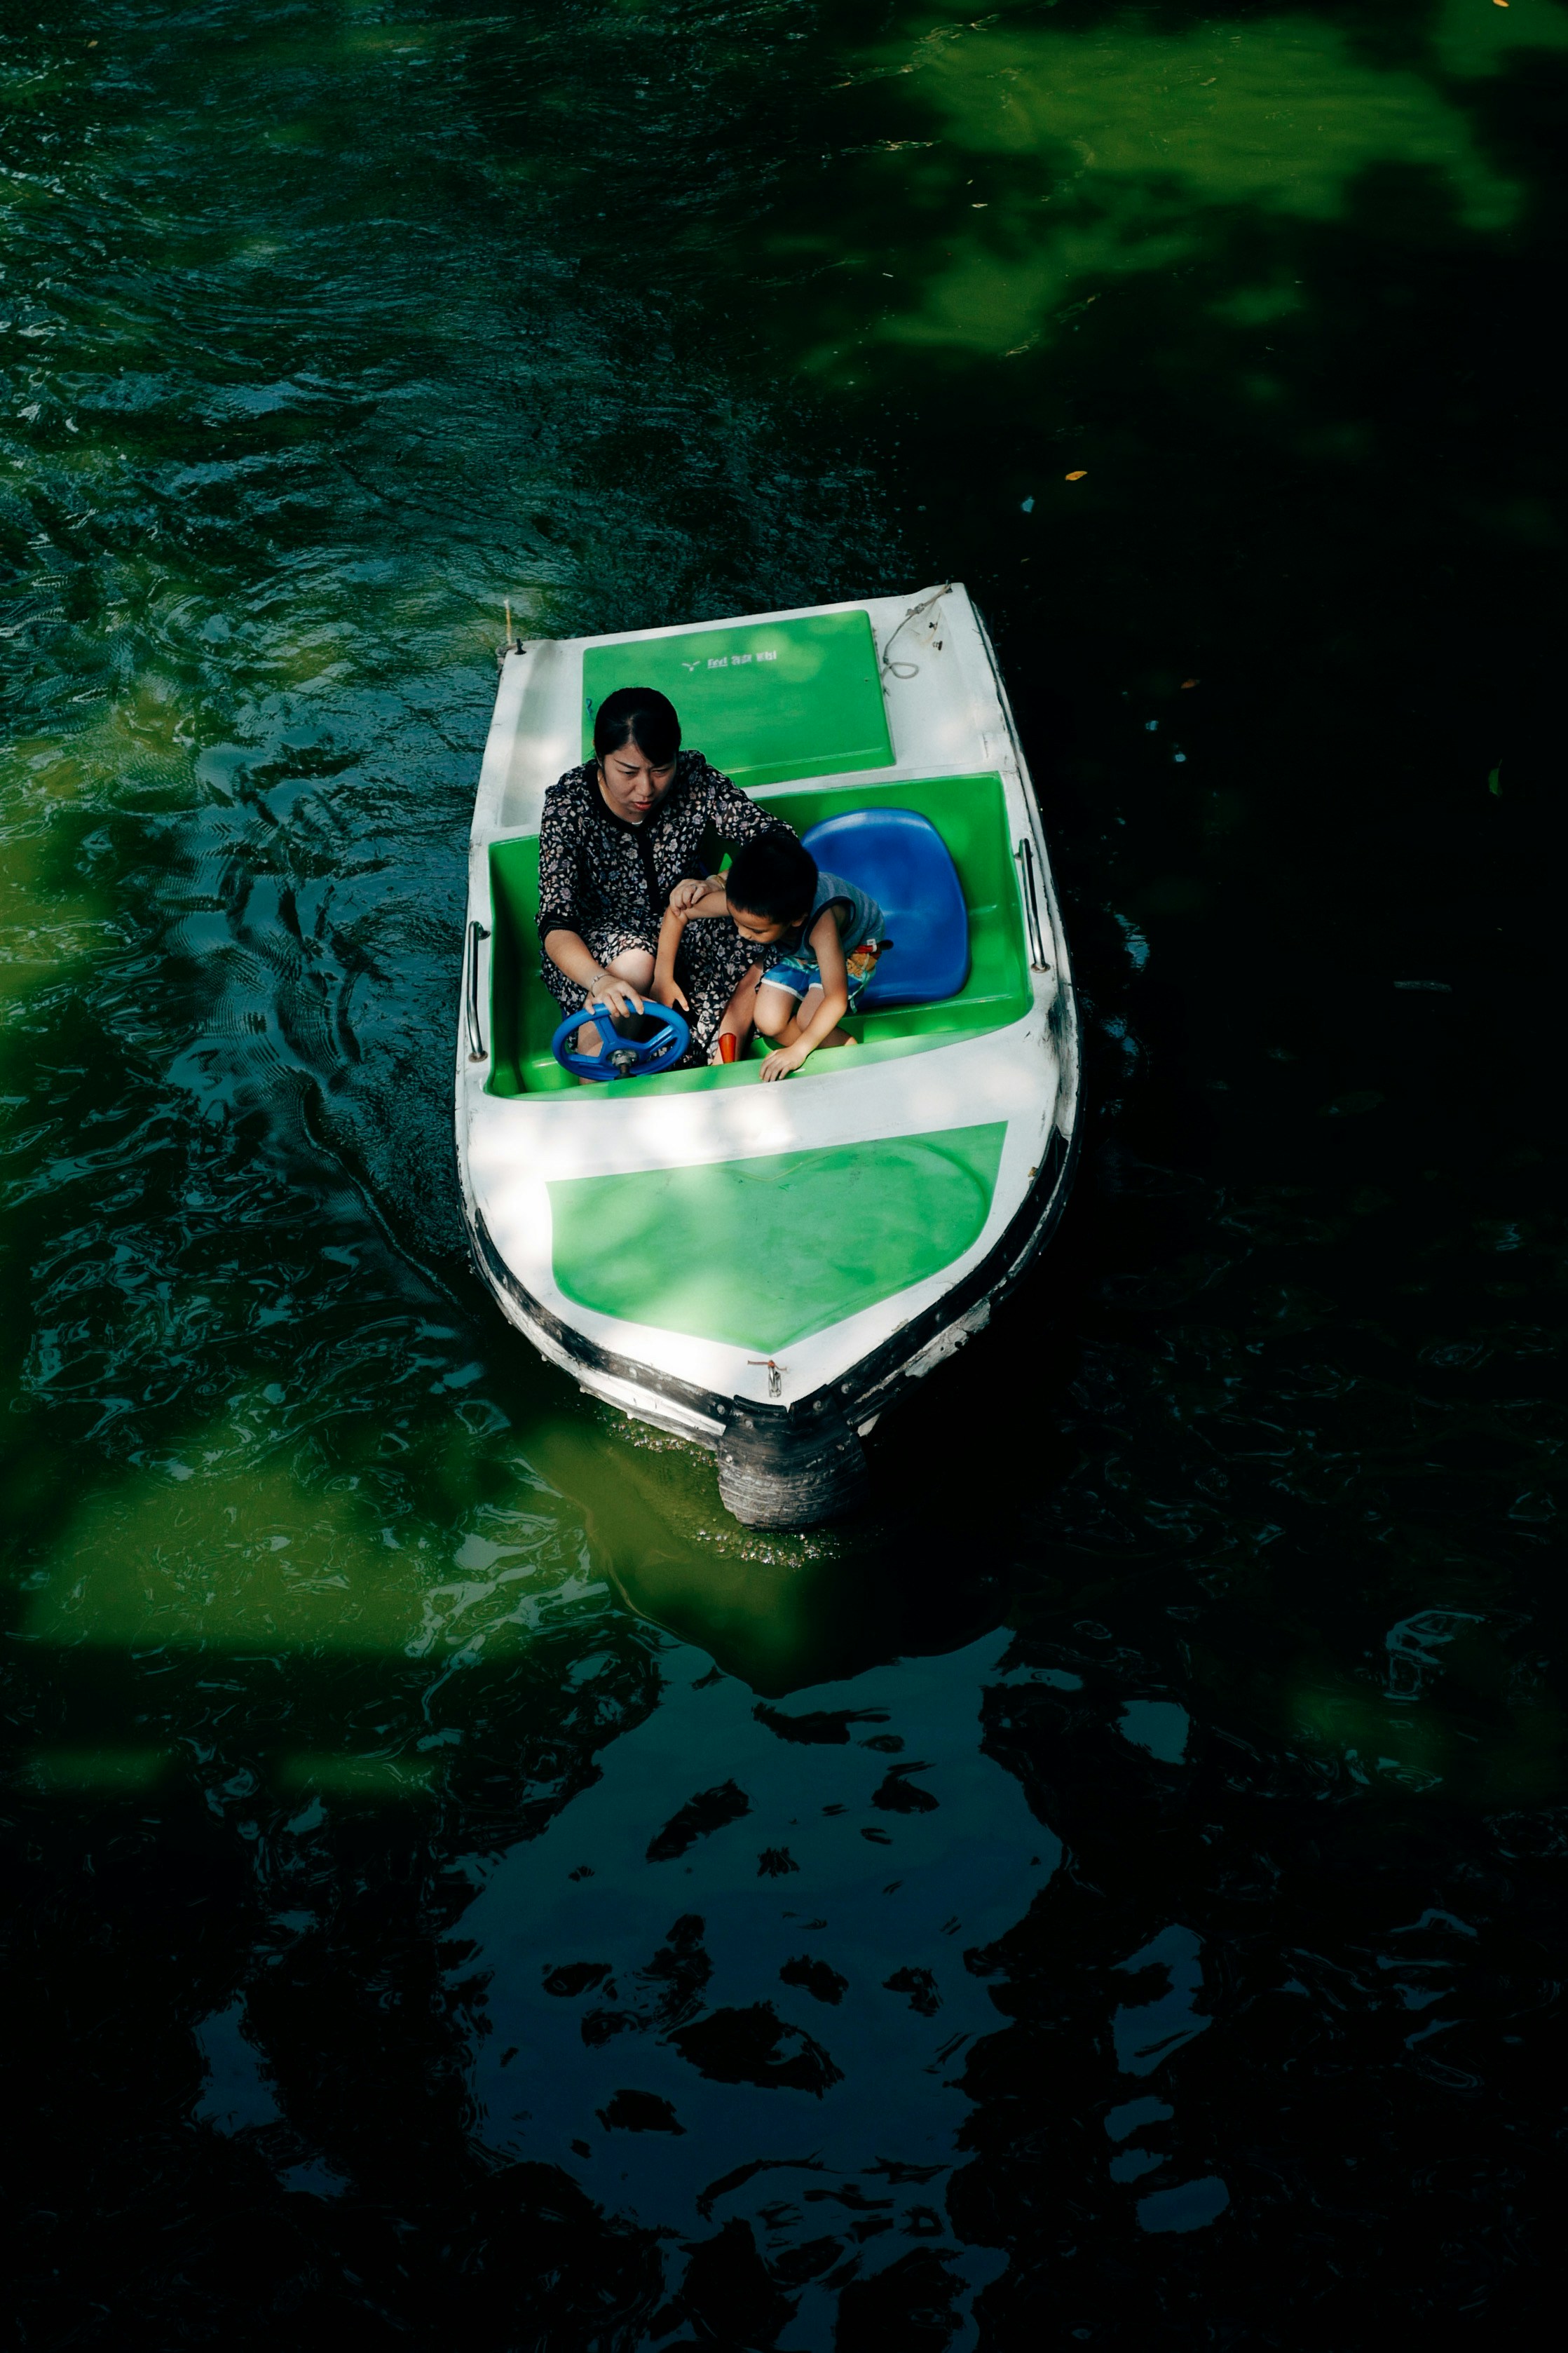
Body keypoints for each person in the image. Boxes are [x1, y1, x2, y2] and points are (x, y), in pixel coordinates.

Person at [536, 685, 789, 1064]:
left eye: (660, 769)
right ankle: (600, 1071)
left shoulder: (695, 779)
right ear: (600, 754)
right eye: (628, 771)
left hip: (689, 921)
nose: (646, 788)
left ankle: (725, 1053)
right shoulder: (569, 803)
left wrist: (716, 882)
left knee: (767, 930)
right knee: (635, 964)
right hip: (602, 942)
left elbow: (779, 842)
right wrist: (599, 980)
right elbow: (555, 922)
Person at [653, 831, 883, 1083]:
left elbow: (835, 998)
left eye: (755, 930)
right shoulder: (750, 900)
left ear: (796, 919)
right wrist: (663, 977)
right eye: (737, 920)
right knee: (768, 1021)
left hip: (852, 946)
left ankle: (848, 1049)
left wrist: (798, 1051)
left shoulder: (821, 926)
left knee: (809, 1019)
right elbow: (679, 912)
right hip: (796, 947)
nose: (743, 934)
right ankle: (815, 1042)